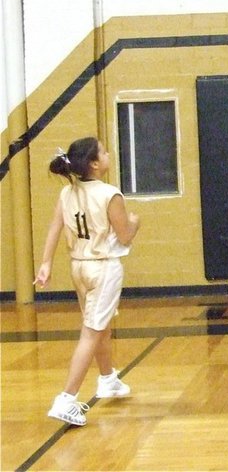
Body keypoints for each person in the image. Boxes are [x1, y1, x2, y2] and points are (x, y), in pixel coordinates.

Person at [34, 137, 140, 426]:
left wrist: (45, 263)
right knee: (91, 332)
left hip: (78, 268)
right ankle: (66, 399)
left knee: (100, 325)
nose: (109, 154)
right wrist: (135, 220)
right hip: (102, 268)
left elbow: (55, 227)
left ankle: (107, 379)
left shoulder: (68, 192)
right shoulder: (110, 194)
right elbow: (125, 235)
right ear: (94, 163)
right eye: (104, 151)